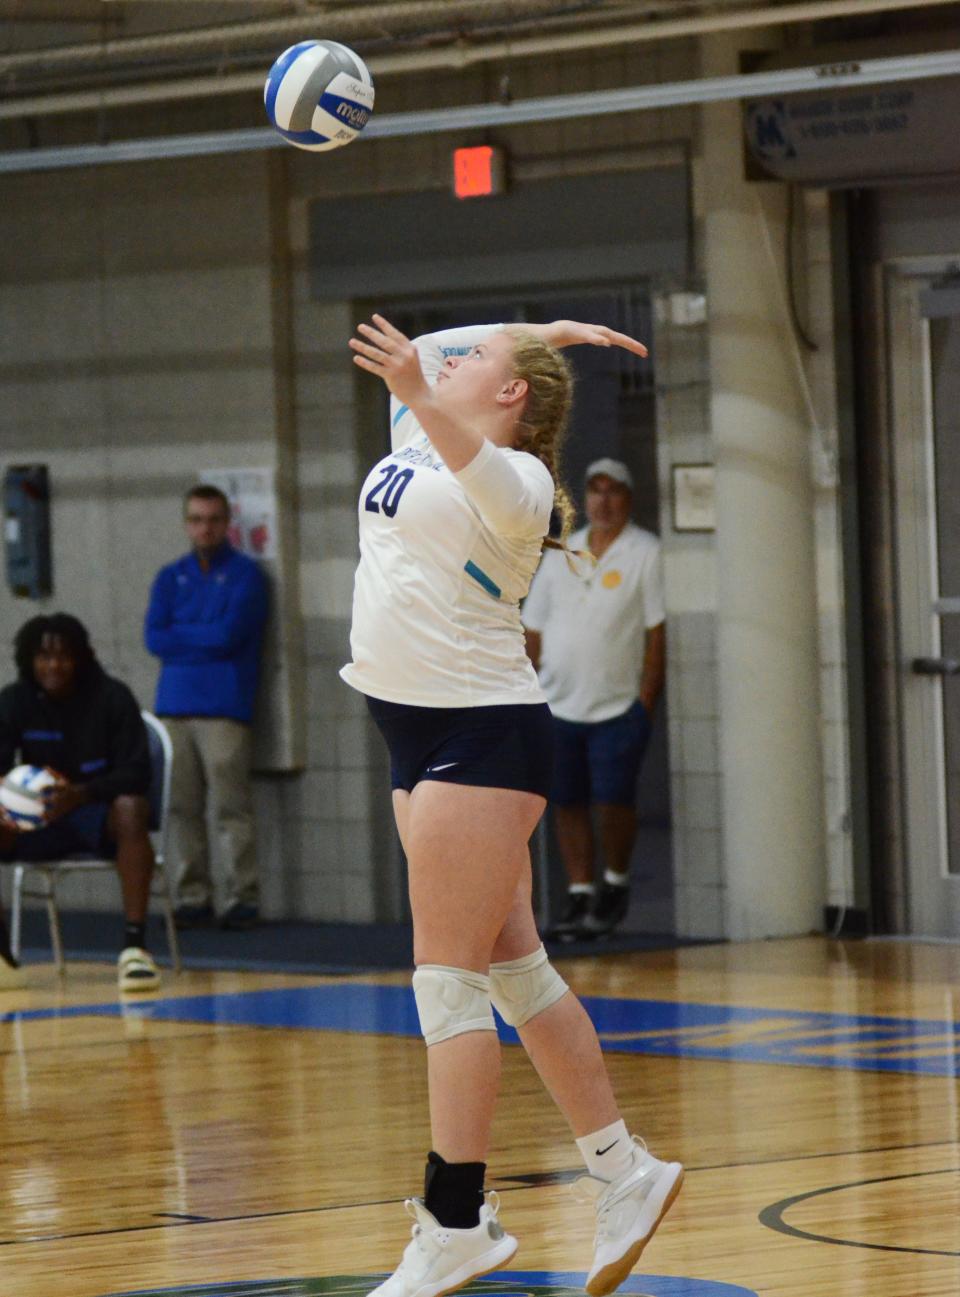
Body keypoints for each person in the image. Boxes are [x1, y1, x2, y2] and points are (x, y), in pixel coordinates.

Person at [342, 313, 683, 1297]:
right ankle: (625, 1171)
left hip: (481, 738)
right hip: (416, 735)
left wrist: (423, 382)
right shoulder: (418, 429)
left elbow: (471, 454)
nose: (448, 362)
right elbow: (447, 354)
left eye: (477, 362)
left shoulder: (520, 480)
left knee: (445, 984)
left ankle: (456, 1218)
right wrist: (542, 328)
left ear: (510, 397)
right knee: (517, 972)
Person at [523, 458, 666, 941]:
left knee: (613, 800)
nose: (604, 501)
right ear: (584, 498)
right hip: (558, 704)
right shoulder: (565, 549)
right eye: (596, 491)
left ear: (629, 497)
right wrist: (528, 691)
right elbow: (534, 627)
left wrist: (645, 702)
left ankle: (614, 883)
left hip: (615, 706)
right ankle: (580, 890)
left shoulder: (645, 551)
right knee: (567, 801)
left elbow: (656, 632)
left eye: (614, 491)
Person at [0, 613, 161, 992]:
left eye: (63, 656)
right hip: (37, 819)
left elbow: (137, 773)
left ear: (80, 658)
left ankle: (134, 949)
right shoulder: (14, 701)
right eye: (43, 656)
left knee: (132, 808)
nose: (53, 665)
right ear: (29, 660)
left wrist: (81, 794)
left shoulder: (112, 697)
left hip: (94, 813)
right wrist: (14, 796)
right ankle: (1, 952)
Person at [144, 484, 268, 931]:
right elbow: (154, 638)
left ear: (227, 524)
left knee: (230, 807)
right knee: (180, 808)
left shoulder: (246, 576)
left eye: (214, 519)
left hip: (224, 708)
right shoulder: (169, 576)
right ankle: (192, 896)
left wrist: (185, 635)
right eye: (196, 519)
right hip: (174, 707)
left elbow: (228, 636)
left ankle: (242, 898)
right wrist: (200, 634)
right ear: (186, 523)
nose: (205, 528)